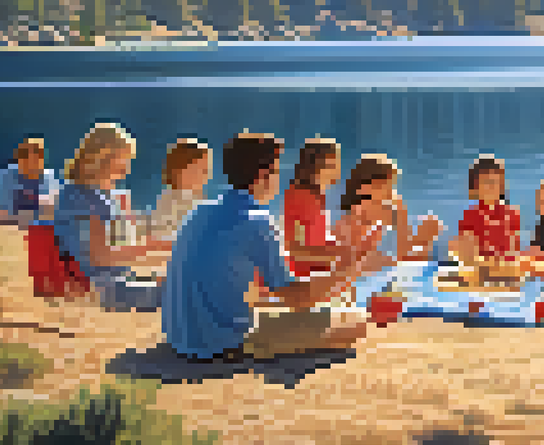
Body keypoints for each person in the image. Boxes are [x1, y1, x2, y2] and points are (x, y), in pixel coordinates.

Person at [163, 132, 388, 362]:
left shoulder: (201, 210)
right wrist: (353, 262)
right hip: (220, 344)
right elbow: (299, 298)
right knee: (355, 322)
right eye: (277, 172)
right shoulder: (256, 220)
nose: (279, 180)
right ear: (263, 176)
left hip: (179, 336)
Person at [52, 123, 173, 311]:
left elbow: (115, 251)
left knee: (177, 283)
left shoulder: (92, 195)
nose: (126, 169)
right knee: (182, 291)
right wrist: (151, 247)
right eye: (123, 160)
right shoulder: (83, 197)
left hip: (110, 281)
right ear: (102, 158)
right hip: (99, 288)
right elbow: (101, 257)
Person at [341, 153, 444, 263]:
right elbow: (357, 260)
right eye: (387, 186)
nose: (392, 192)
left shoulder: (395, 211)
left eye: (393, 186)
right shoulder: (353, 219)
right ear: (366, 187)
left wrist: (425, 239)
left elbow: (406, 253)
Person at [281, 138, 345, 277]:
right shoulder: (299, 198)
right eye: (331, 165)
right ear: (314, 166)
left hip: (320, 272)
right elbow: (295, 249)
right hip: (305, 276)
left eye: (337, 164)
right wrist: (338, 254)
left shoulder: (318, 195)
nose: (337, 171)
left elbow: (315, 239)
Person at [151, 139, 212, 242]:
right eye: (202, 170)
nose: (207, 177)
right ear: (180, 170)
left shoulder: (193, 199)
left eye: (207, 171)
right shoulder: (174, 203)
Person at [0, 137, 62, 227]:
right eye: (25, 154)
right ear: (19, 158)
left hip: (38, 229)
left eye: (38, 154)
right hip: (9, 227)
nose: (32, 159)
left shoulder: (49, 179)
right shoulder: (7, 175)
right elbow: (2, 211)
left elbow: (49, 213)